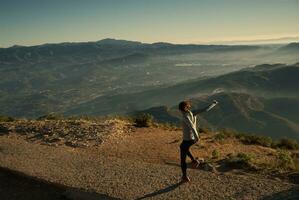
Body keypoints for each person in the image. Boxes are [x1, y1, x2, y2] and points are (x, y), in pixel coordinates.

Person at [178, 99, 218, 183]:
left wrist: (197, 137)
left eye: (180, 109)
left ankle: (184, 176)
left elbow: (192, 126)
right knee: (183, 147)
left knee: (182, 160)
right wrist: (213, 104)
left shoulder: (185, 116)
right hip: (191, 140)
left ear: (182, 109)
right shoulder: (192, 112)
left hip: (188, 139)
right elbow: (205, 109)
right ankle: (194, 161)